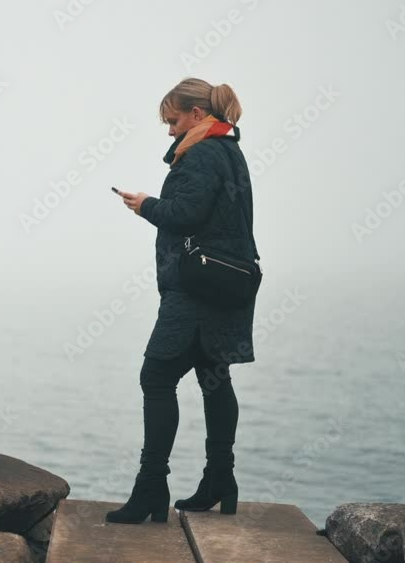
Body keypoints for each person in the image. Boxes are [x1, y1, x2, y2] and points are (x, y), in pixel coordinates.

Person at [107, 78, 260, 524]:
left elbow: (185, 215)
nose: (170, 131)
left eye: (172, 121)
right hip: (227, 284)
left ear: (196, 115)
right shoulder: (230, 151)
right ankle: (220, 480)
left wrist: (146, 205)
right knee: (214, 376)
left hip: (194, 289)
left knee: (156, 376)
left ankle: (152, 486)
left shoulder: (203, 154)